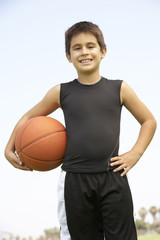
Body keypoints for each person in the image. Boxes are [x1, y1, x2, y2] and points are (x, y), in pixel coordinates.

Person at [5, 21, 156, 240]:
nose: (84, 52)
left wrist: (136, 153)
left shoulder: (120, 89)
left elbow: (149, 120)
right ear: (68, 56)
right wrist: (9, 149)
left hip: (113, 175)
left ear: (103, 51)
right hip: (74, 180)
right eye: (77, 48)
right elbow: (28, 117)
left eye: (90, 46)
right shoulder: (61, 92)